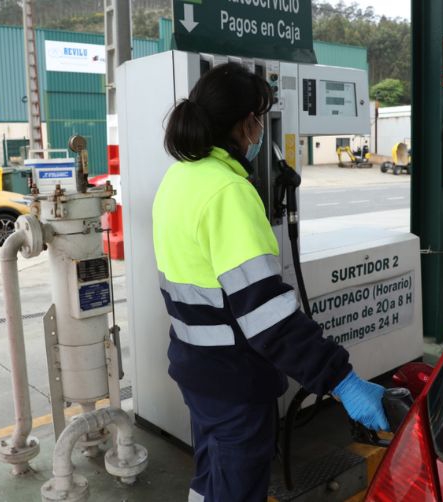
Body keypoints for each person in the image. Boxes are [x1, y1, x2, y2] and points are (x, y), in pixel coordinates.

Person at [152, 62, 389, 502]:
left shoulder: (179, 178)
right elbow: (268, 316)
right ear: (247, 123)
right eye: (260, 118)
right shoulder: (229, 192)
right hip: (233, 382)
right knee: (235, 489)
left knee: (211, 477)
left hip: (197, 367)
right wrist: (342, 380)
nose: (262, 129)